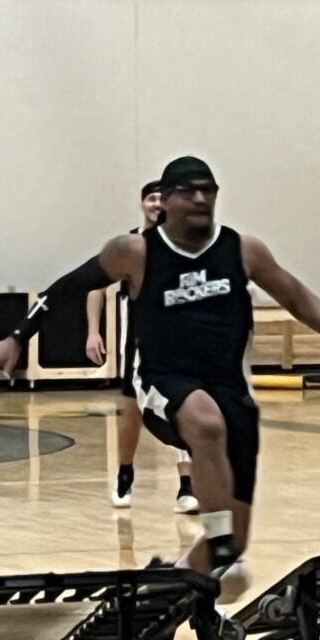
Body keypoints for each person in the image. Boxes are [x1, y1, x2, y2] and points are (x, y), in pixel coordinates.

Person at [0, 156, 320, 596]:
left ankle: (164, 590)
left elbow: (292, 293)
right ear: (165, 200)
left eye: (209, 190)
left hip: (230, 387)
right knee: (205, 422)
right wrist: (16, 338)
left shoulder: (242, 250)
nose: (201, 198)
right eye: (189, 191)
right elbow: (65, 287)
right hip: (163, 379)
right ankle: (210, 538)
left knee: (230, 550)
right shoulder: (136, 252)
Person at [86, 181, 198, 513]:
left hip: (178, 346)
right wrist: (93, 332)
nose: (157, 203)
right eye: (151, 198)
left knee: (184, 410)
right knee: (131, 415)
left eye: (163, 198)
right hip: (136, 347)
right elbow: (94, 288)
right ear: (142, 204)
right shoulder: (129, 246)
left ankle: (187, 487)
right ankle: (124, 472)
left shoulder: (184, 245)